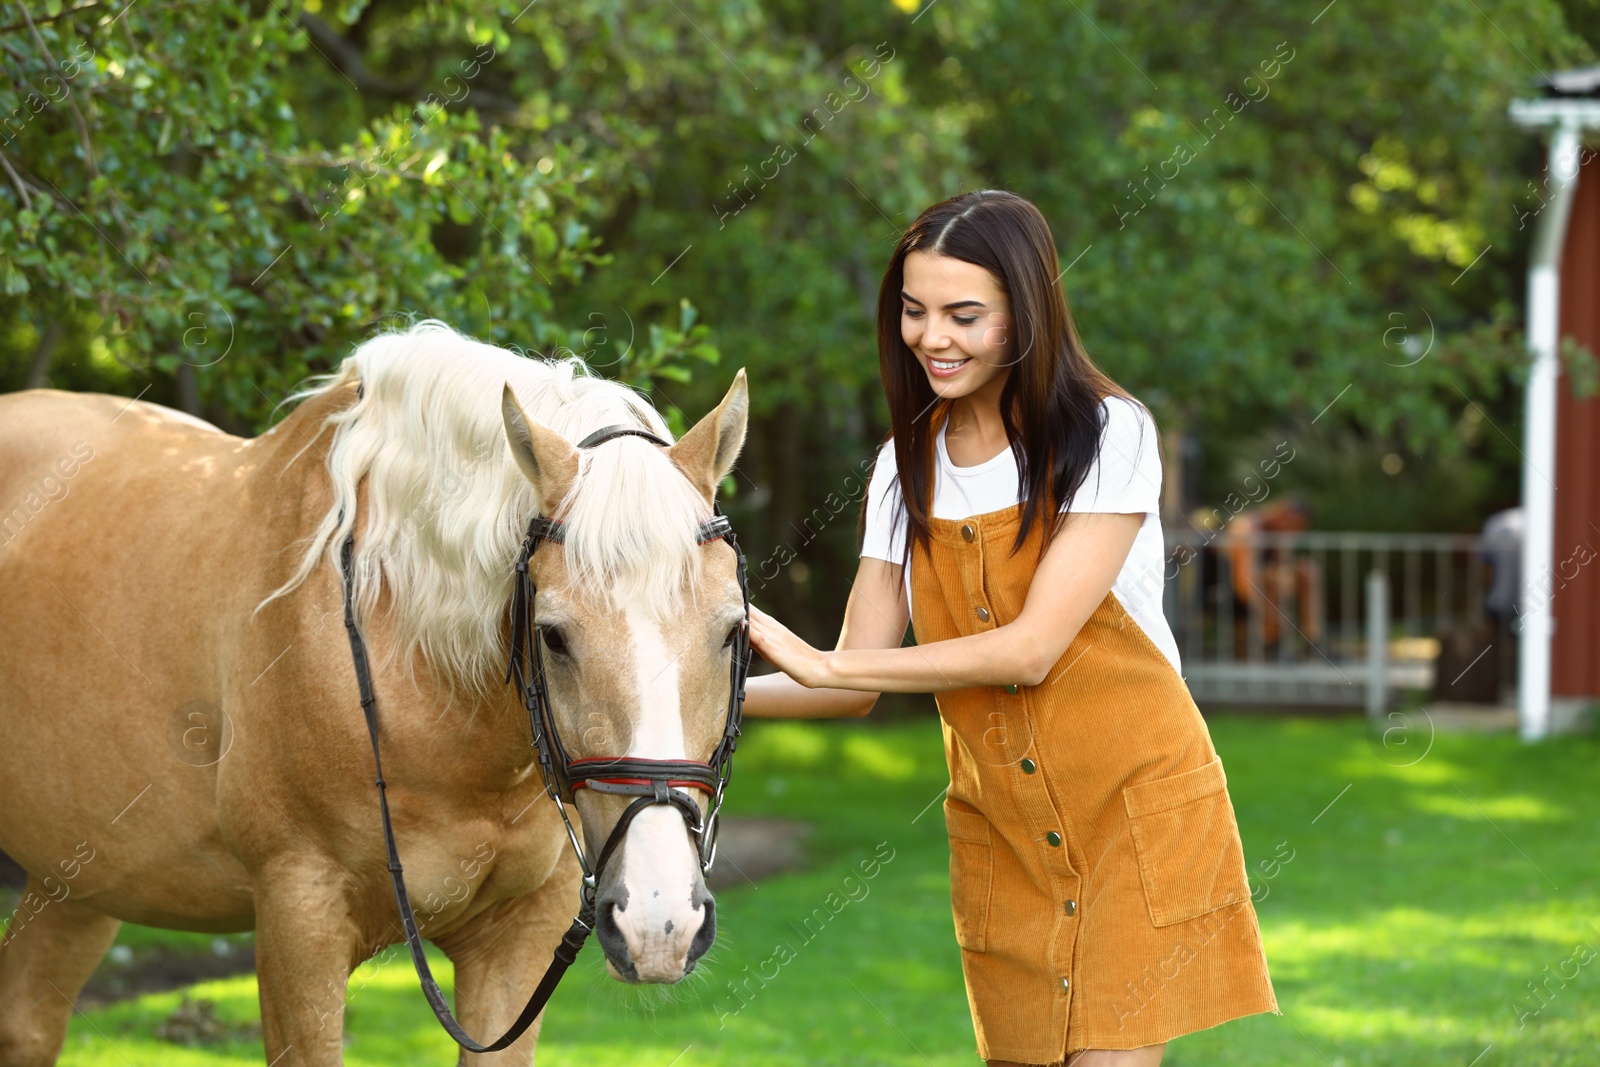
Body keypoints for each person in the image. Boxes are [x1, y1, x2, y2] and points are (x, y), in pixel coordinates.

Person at [743, 190, 1278, 1066]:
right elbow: (852, 683)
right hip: (1005, 834)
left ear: (1024, 314)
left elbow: (1029, 650)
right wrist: (698, 700)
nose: (932, 338)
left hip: (1132, 811)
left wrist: (820, 664)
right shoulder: (899, 469)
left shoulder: (1109, 433)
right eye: (914, 311)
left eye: (965, 315)